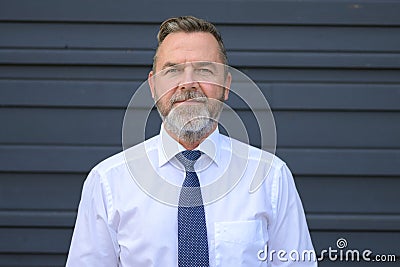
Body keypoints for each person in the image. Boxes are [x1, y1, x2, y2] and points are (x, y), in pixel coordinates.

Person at [66, 16, 317, 267]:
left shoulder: (270, 177)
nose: (188, 83)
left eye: (204, 69)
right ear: (153, 86)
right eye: (173, 70)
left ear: (226, 85)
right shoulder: (108, 182)